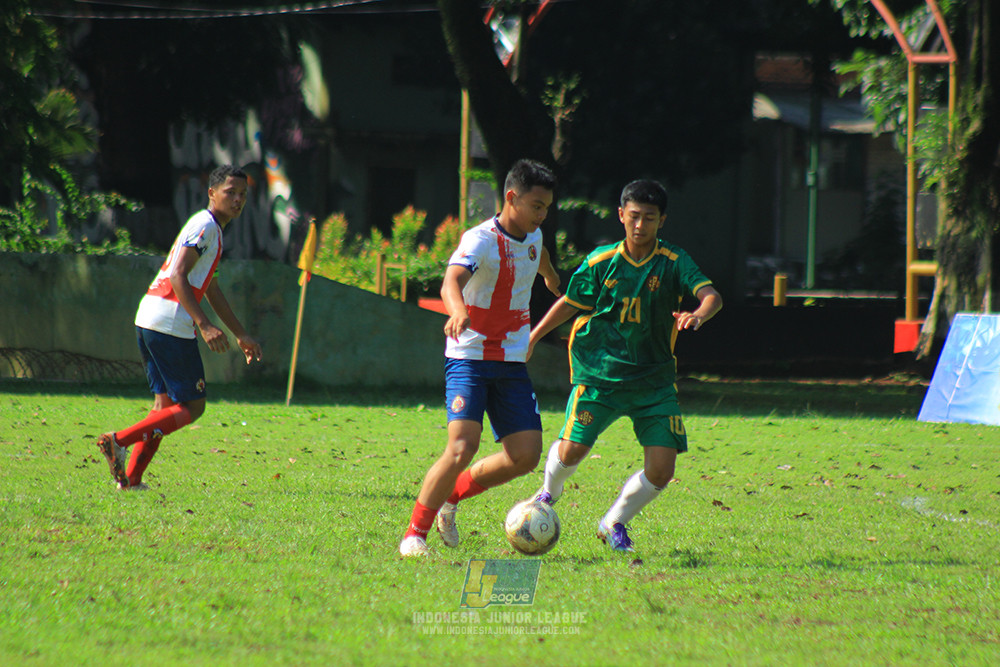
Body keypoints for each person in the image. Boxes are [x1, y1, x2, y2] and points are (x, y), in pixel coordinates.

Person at [526, 178, 722, 552]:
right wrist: (534, 338)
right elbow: (571, 301)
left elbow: (711, 295)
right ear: (621, 215)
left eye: (649, 218)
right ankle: (548, 493)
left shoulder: (674, 263)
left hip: (654, 382)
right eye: (634, 216)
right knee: (571, 452)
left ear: (661, 221)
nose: (640, 225)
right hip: (600, 376)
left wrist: (698, 314)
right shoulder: (602, 262)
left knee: (663, 470)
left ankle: (614, 522)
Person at [399, 158, 560, 557]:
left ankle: (451, 497)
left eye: (547, 208)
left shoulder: (535, 237)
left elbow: (539, 259)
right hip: (469, 357)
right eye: (537, 206)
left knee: (525, 456)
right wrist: (457, 310)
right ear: (511, 198)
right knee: (461, 447)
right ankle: (413, 535)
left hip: (511, 362)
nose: (542, 215)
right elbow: (452, 279)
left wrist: (552, 278)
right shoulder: (480, 240)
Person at [96, 164, 263, 491]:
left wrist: (240, 333)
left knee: (164, 408)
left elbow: (210, 288)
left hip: (149, 318)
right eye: (231, 192)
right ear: (212, 193)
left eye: (243, 194)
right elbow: (177, 276)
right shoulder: (206, 226)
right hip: (171, 323)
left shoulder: (209, 228)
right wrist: (204, 325)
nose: (238, 199)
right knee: (193, 406)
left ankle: (131, 481)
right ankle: (119, 440)